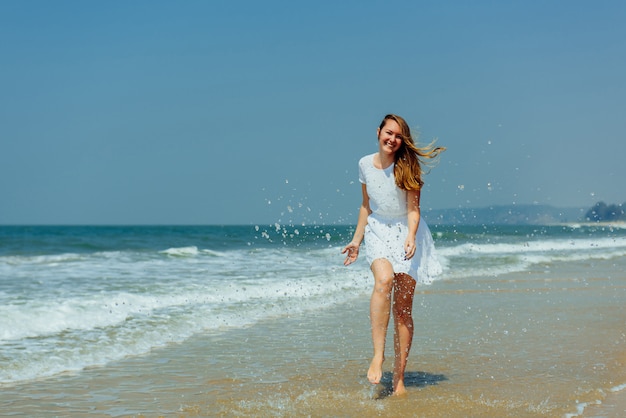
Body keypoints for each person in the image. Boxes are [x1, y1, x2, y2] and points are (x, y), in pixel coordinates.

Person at [342, 114, 444, 396]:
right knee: (383, 280)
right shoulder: (364, 164)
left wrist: (411, 236)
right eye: (389, 133)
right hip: (378, 229)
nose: (393, 139)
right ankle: (378, 355)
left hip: (406, 232)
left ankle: (398, 379)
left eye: (398, 136)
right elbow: (366, 206)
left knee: (403, 308)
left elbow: (413, 209)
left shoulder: (408, 166)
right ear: (378, 132)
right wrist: (356, 240)